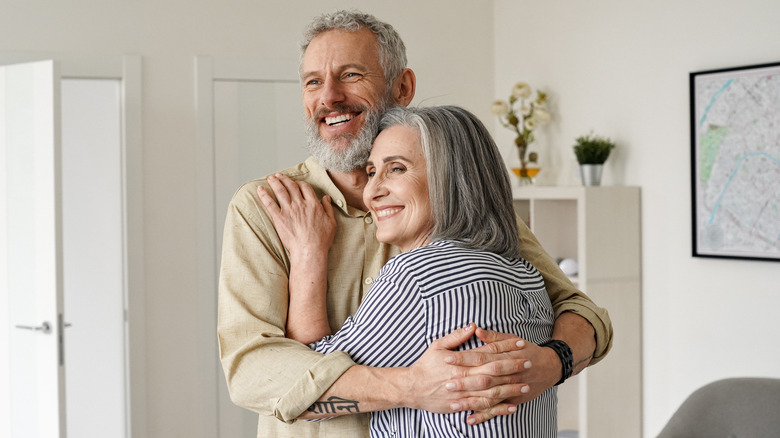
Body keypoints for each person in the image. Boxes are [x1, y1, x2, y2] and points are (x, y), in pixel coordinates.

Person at [217, 9, 613, 438]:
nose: (328, 97)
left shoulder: (458, 207)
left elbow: (583, 313)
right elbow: (252, 370)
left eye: (350, 75)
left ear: (402, 86)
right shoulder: (263, 208)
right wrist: (413, 387)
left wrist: (553, 363)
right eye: (313, 81)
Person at [280, 105, 559, 437]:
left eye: (397, 169)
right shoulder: (526, 274)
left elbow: (308, 385)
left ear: (452, 178)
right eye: (371, 172)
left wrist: (307, 253)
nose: (372, 192)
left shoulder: (419, 276)